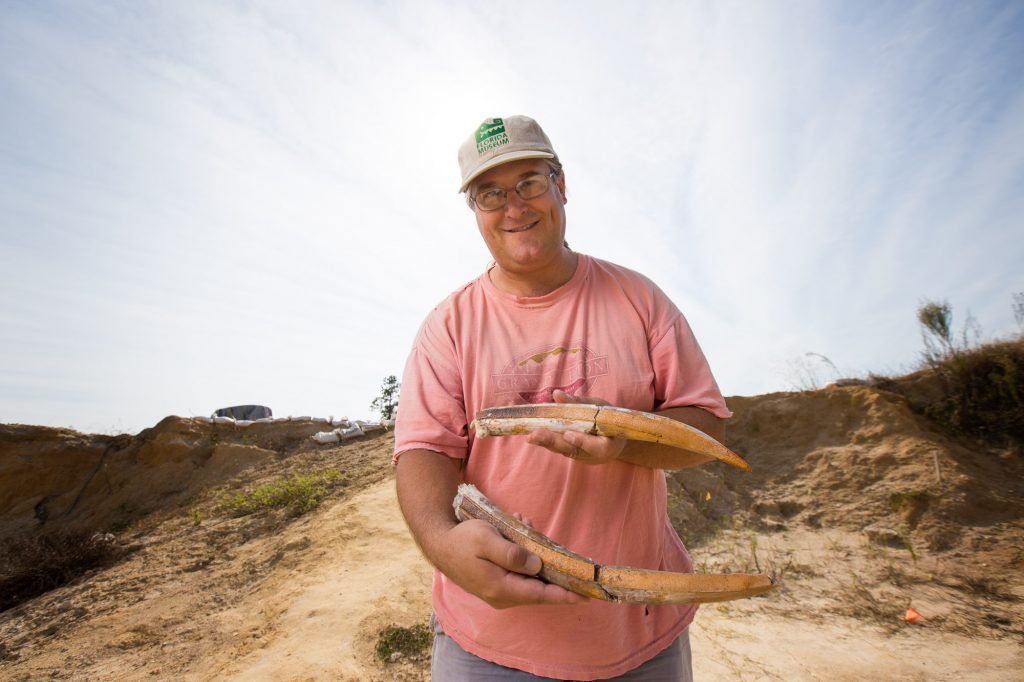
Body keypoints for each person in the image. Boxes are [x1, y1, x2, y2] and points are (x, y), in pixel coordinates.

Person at [393, 115, 732, 681]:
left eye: (529, 182)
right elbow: (424, 450)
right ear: (474, 211)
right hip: (488, 644)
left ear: (561, 185)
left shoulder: (638, 299)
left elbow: (708, 429)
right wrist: (441, 542)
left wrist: (625, 442)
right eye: (489, 194)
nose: (514, 207)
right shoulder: (449, 326)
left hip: (639, 638)